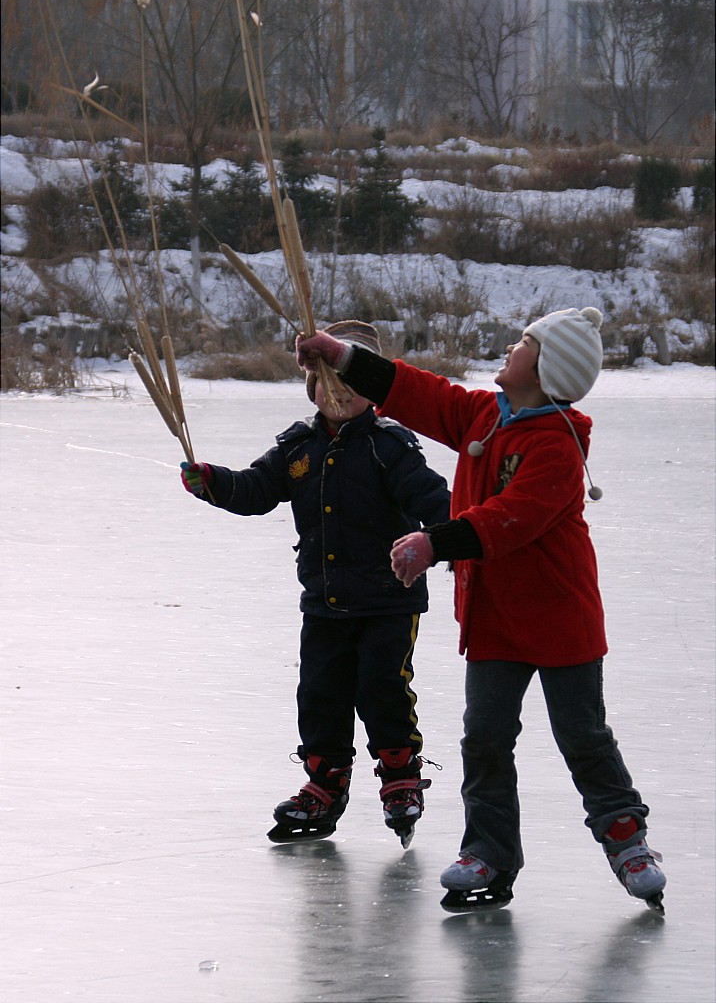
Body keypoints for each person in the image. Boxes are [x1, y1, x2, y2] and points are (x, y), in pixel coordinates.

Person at [296, 307, 667, 911]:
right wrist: (339, 358)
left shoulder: (557, 446)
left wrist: (431, 541)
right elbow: (414, 391)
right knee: (486, 739)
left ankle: (626, 836)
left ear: (546, 370)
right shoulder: (482, 416)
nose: (511, 348)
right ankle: (489, 851)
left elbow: (508, 519)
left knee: (583, 735)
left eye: (524, 344)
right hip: (493, 618)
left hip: (560, 618)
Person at [181, 321, 451, 847]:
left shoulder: (388, 445)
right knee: (320, 694)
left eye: (350, 384)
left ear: (373, 390)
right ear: (312, 389)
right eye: (327, 384)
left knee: (382, 684)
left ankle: (399, 774)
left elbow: (433, 500)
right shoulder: (297, 446)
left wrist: (452, 538)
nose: (338, 394)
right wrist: (212, 481)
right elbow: (255, 489)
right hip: (324, 601)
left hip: (387, 600)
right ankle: (325, 782)